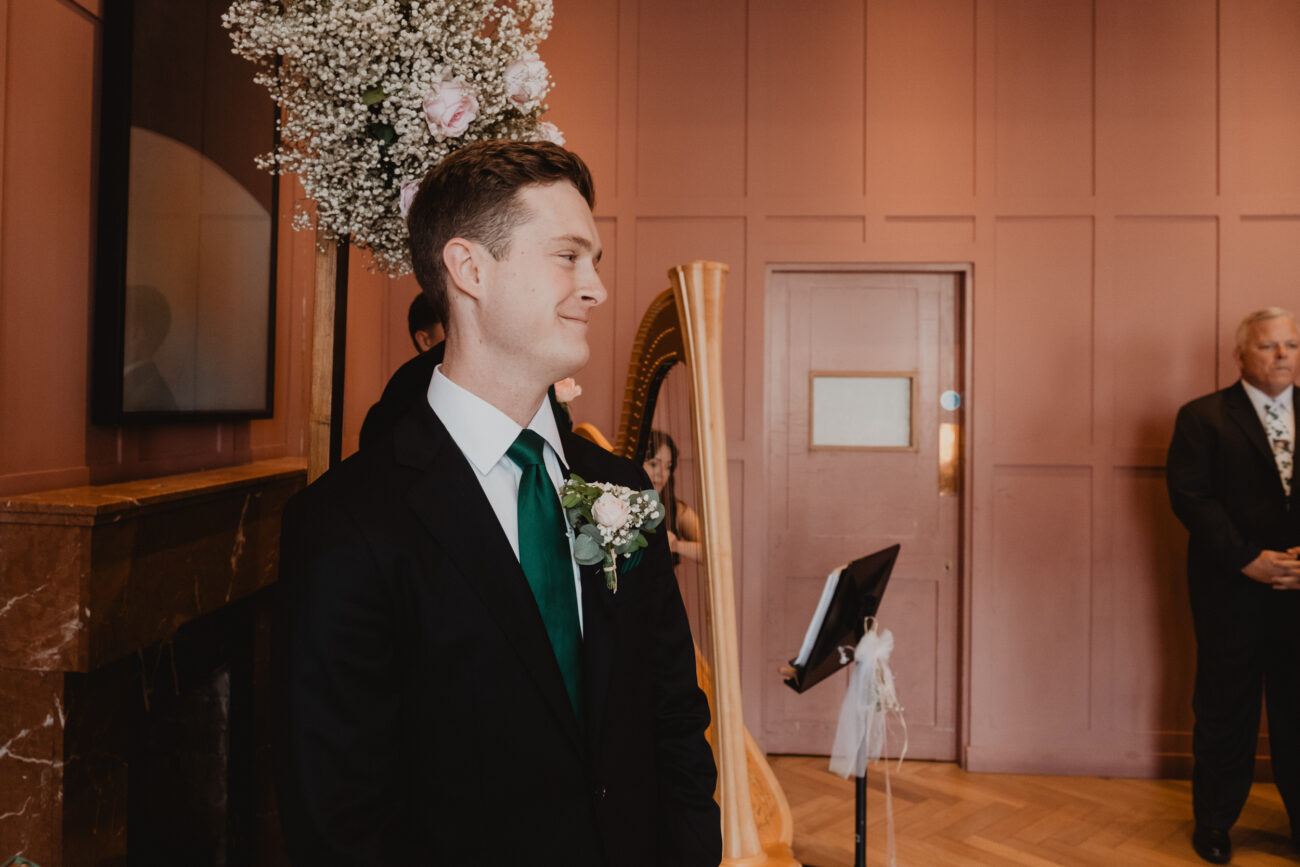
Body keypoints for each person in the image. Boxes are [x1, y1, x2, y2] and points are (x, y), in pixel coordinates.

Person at [274, 141, 721, 866]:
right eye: (568, 256)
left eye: (595, 261)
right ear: (470, 269)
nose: (596, 288)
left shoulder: (619, 487)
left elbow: (672, 711)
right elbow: (338, 817)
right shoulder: (346, 522)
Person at [1167, 307, 1300, 864]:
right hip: (1230, 591)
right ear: (1240, 354)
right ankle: (1216, 825)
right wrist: (1248, 560)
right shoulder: (1203, 417)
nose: (1283, 355)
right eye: (1270, 346)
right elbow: (1191, 497)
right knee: (1226, 712)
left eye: (1291, 344)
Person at [641, 430, 702, 563]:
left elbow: (710, 551)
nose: (662, 474)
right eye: (653, 464)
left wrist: (677, 546)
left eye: (668, 467)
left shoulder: (676, 509)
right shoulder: (616, 505)